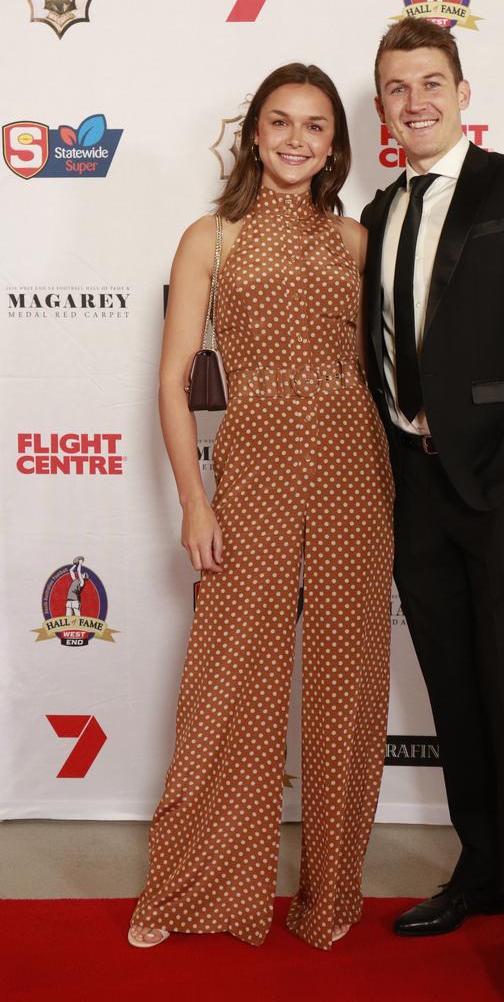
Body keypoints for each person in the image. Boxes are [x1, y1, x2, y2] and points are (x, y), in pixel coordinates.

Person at [128, 63, 394, 952]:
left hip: (356, 467)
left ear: (335, 144)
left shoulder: (356, 242)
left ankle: (330, 898)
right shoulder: (212, 237)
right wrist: (194, 503)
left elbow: (381, 371)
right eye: (279, 122)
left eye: (315, 127)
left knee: (344, 683)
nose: (295, 140)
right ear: (252, 134)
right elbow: (173, 382)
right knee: (227, 682)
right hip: (253, 471)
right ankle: (192, 892)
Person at [361, 19, 504, 1000]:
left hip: (500, 489)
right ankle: (483, 871)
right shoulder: (375, 209)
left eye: (430, 82)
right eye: (397, 89)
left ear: (460, 88)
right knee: (455, 694)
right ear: (383, 108)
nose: (416, 102)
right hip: (414, 487)